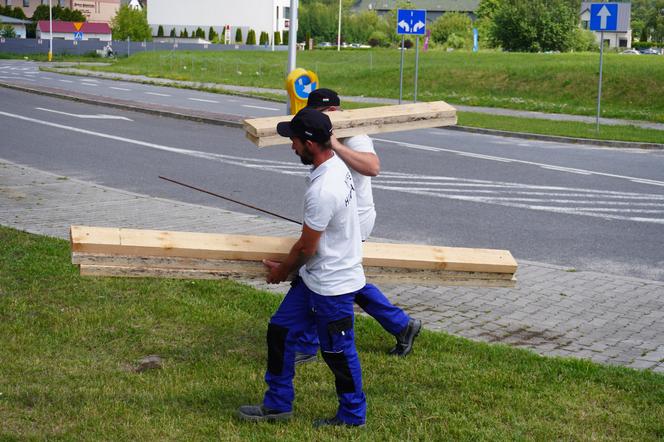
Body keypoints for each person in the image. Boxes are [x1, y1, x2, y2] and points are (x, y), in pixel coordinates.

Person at [238, 108, 367, 427]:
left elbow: (307, 247)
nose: (292, 146)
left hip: (333, 286)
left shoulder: (324, 189)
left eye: (294, 140)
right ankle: (278, 405)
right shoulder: (334, 166)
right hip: (314, 279)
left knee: (338, 353)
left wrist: (282, 271)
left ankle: (352, 416)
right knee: (280, 331)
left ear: (309, 143)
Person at [294, 88, 421, 364]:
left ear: (335, 111)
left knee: (323, 273)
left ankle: (306, 343)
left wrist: (336, 144)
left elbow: (373, 167)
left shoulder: (355, 136)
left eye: (323, 113)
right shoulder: (323, 132)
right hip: (340, 216)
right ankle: (401, 324)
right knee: (342, 277)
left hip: (356, 218)